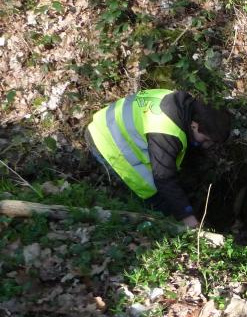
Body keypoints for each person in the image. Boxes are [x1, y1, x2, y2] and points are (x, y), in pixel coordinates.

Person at [85, 89, 231, 227]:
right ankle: (135, 227)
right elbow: (163, 178)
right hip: (106, 140)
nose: (207, 145)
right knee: (152, 196)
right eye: (206, 140)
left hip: (109, 124)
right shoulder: (165, 130)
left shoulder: (181, 104)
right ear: (194, 125)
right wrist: (187, 216)